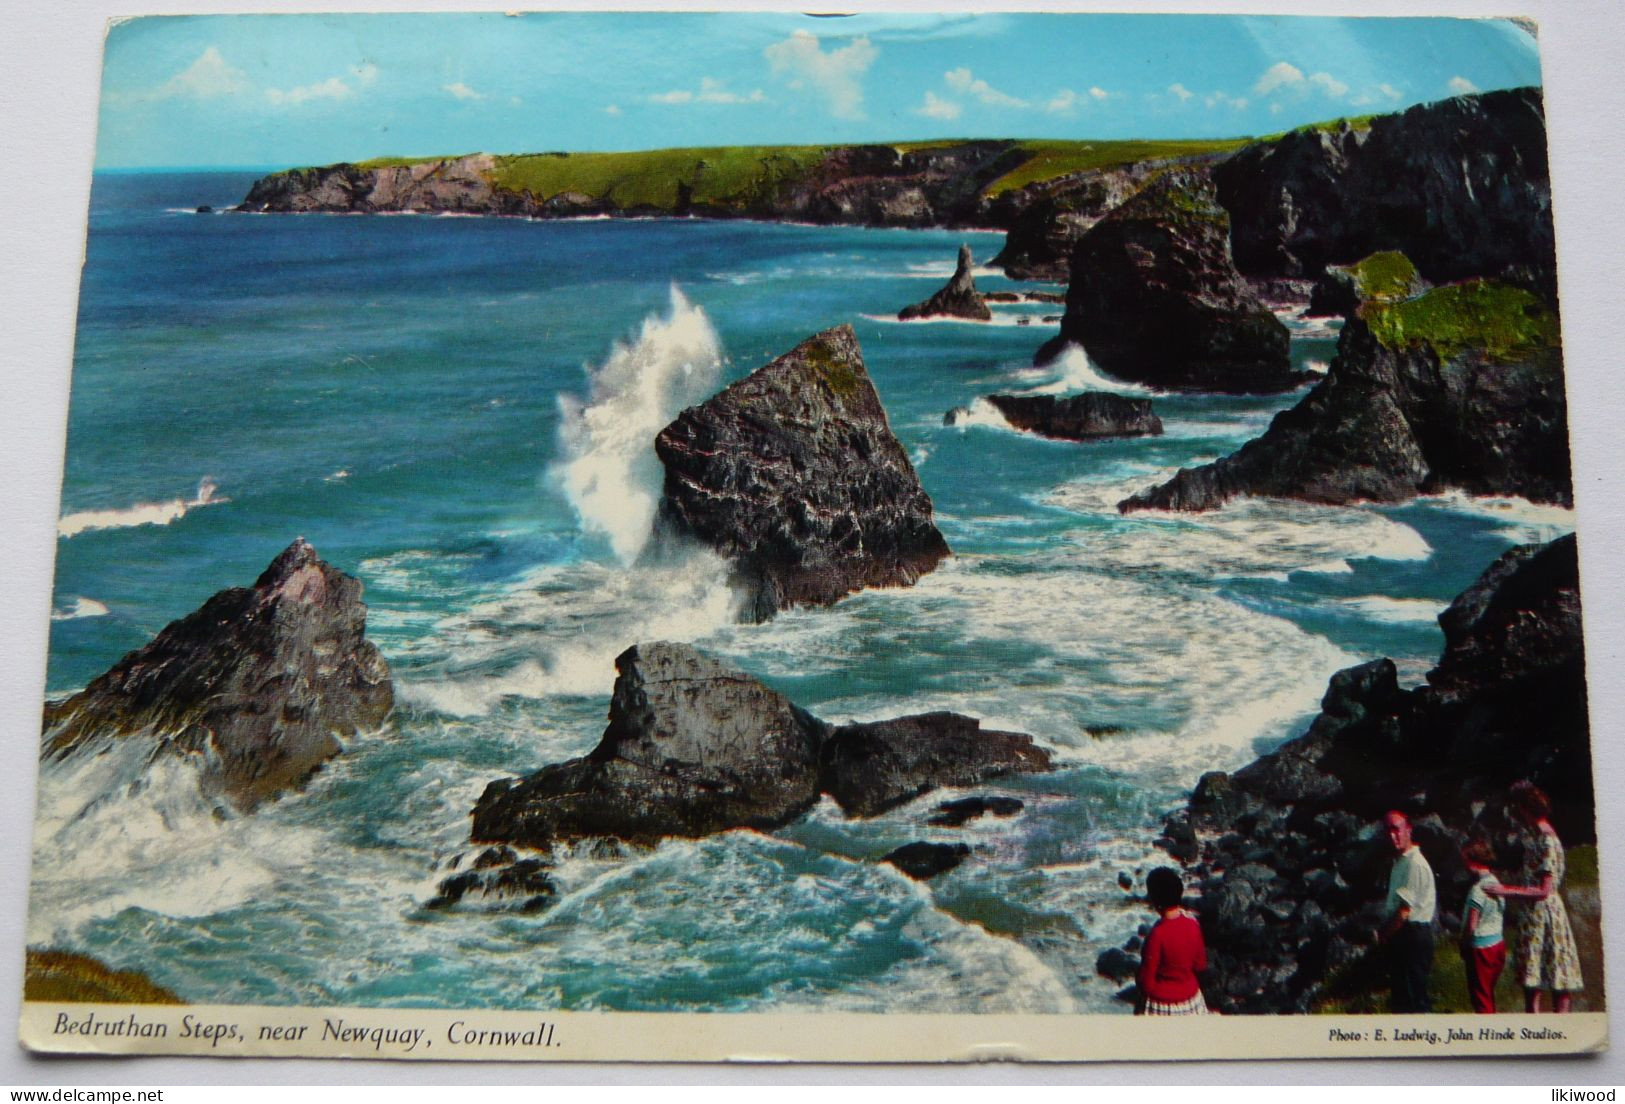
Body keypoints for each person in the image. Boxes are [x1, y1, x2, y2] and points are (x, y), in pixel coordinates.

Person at [1489, 780, 1583, 1012]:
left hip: (1545, 914)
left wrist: (1505, 890)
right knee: (1533, 983)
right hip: (1533, 915)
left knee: (1557, 981)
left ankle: (1559, 1032)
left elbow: (1544, 890)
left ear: (1525, 809)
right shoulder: (1537, 837)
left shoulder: (1547, 840)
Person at [1380, 810, 1436, 1013]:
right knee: (1402, 997)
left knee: (1415, 999)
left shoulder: (1415, 863)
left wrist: (1383, 935)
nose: (1392, 835)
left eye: (1396, 829)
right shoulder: (1400, 861)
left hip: (1413, 935)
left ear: (1409, 829)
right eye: (1387, 830)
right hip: (1403, 935)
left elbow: (1404, 910)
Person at [1136, 866, 1208, 1015]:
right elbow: (1200, 965)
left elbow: (1147, 984)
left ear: (1154, 900)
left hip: (1162, 1004)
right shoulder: (1192, 923)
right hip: (1191, 999)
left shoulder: (1156, 935)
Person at [1458, 839, 1507, 1013]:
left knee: (1481, 998)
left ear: (1473, 862)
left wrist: (1463, 943)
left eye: (1465, 861)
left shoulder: (1477, 890)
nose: (1463, 865)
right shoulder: (1496, 882)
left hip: (1481, 948)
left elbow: (1472, 925)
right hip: (1498, 943)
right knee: (1489, 993)